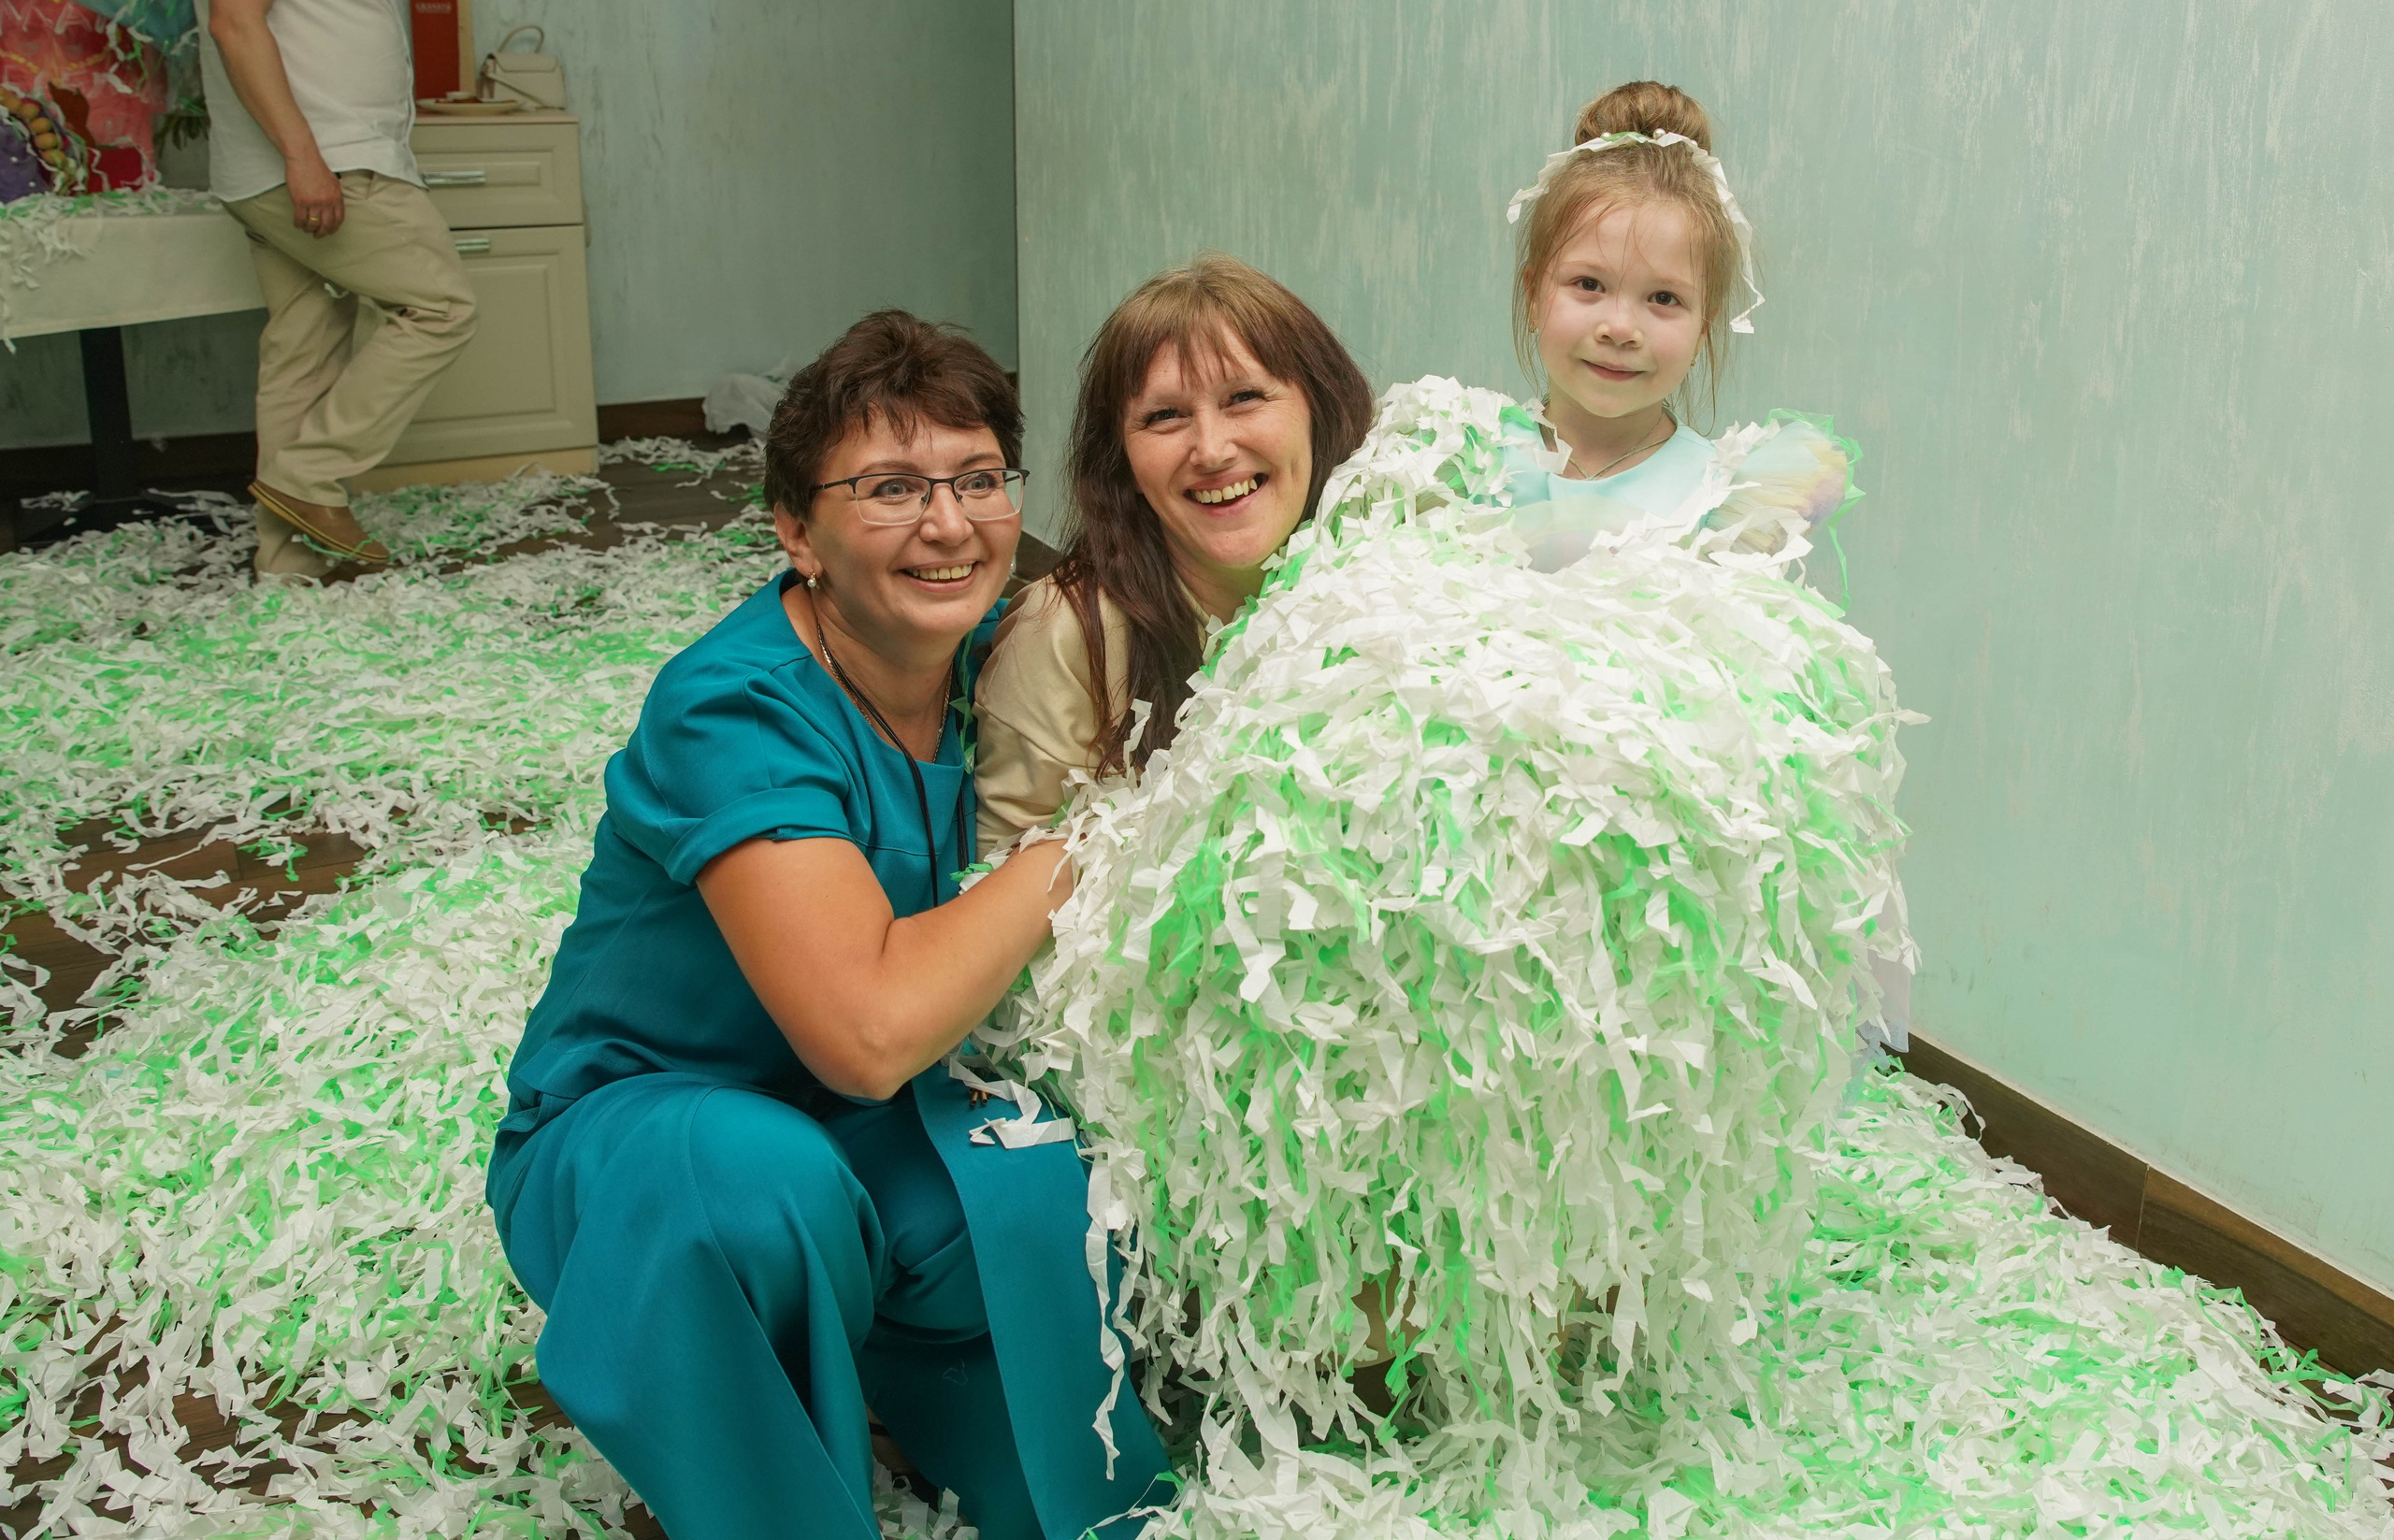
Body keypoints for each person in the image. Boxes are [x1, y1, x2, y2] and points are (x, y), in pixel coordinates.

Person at [484, 311, 1170, 1540]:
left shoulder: (997, 663)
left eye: (977, 479)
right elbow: (864, 1029)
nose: (950, 523)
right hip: (656, 1143)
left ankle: (879, 1372)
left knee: (1056, 1184)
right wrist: (1085, 837)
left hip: (875, 1121)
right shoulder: (731, 705)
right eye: (891, 488)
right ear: (796, 529)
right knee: (755, 1185)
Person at [973, 254, 1374, 854]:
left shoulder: (1390, 566)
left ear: (1318, 412)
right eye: (1165, 416)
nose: (1211, 450)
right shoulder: (1062, 636)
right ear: (1124, 463)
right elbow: (999, 880)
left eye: (1243, 398)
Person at [196, 0, 478, 577]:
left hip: (285, 166)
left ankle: (285, 565)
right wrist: (304, 158)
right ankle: (305, 474)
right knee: (442, 308)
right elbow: (233, 22)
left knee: (302, 348)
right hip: (324, 159)